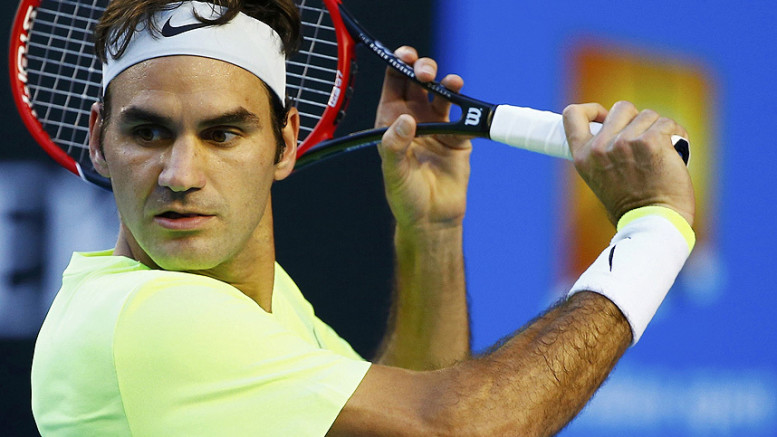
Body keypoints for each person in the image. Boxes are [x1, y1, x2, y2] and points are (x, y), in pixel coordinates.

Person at [30, 0, 696, 435]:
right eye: (147, 133)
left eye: (223, 133)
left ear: (285, 142)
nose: (180, 174)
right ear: (98, 141)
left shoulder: (252, 299)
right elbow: (457, 428)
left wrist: (430, 231)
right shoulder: (145, 321)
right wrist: (653, 228)